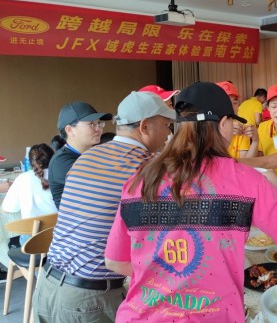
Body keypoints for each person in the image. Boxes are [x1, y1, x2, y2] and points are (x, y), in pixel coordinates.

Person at [104, 82, 277, 322]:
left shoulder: (142, 178)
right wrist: (271, 176)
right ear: (223, 123)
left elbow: (115, 261)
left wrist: (168, 281)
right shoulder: (244, 179)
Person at [33, 91, 176, 323]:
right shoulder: (146, 167)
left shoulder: (86, 157)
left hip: (47, 287)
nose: (169, 133)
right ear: (145, 126)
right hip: (89, 301)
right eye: (166, 125)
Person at [49, 101, 112, 208]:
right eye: (91, 124)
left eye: (99, 123)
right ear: (70, 130)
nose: (99, 128)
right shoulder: (61, 162)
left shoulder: (96, 153)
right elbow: (103, 184)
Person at [2, 143, 57, 243]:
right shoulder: (62, 176)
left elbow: (8, 208)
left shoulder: (22, 179)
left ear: (31, 162)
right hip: (60, 235)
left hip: (32, 239)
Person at [216, 81, 259, 159]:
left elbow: (246, 162)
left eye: (235, 103)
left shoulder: (240, 130)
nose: (231, 108)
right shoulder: (206, 130)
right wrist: (225, 133)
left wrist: (255, 141)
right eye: (226, 103)